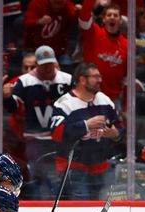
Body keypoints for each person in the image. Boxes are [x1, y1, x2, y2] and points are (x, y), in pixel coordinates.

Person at [5, 45, 72, 199]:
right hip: (35, 138)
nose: (48, 68)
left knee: (63, 177)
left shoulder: (66, 79)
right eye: (44, 64)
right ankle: (39, 208)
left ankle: (64, 207)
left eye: (50, 63)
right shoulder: (25, 81)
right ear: (38, 64)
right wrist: (7, 97)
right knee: (38, 177)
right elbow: (12, 107)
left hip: (60, 138)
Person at [50, 62, 122, 200]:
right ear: (82, 80)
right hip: (75, 168)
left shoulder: (105, 100)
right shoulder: (64, 103)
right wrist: (86, 125)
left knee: (109, 210)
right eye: (95, 77)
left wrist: (115, 134)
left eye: (100, 76)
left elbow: (119, 127)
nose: (100, 80)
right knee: (82, 210)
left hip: (102, 167)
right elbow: (57, 133)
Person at [77, 0, 126, 103]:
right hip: (89, 95)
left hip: (113, 98)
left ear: (120, 20)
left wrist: (126, 105)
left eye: (115, 15)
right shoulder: (93, 33)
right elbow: (83, 18)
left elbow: (127, 77)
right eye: (109, 15)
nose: (112, 17)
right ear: (103, 19)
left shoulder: (127, 44)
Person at [23, 0, 78, 66]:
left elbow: (76, 18)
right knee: (31, 65)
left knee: (67, 66)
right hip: (35, 49)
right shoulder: (37, 3)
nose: (58, 4)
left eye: (61, 2)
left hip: (59, 51)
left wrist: (79, 12)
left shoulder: (68, 5)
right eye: (56, 2)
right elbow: (26, 24)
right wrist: (38, 22)